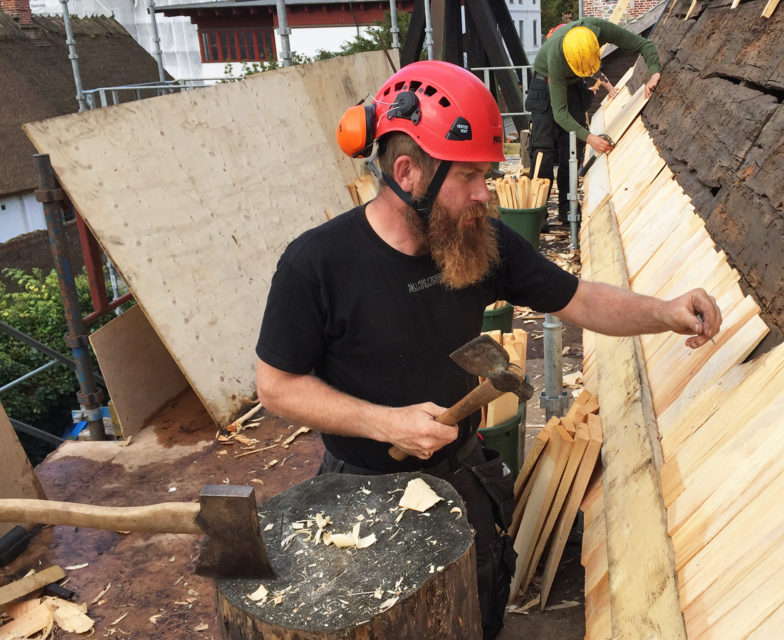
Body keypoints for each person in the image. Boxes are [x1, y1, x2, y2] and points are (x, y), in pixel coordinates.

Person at [255, 60, 719, 639]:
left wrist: (666, 312)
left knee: (472, 618)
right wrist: (383, 423)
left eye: (488, 174)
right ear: (408, 172)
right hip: (358, 492)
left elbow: (578, 298)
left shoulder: (478, 242)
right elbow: (276, 387)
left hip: (461, 480)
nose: (485, 193)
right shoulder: (316, 264)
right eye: (470, 176)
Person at [526, 18, 662, 226]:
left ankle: (568, 210)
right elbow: (560, 113)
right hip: (546, 84)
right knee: (544, 150)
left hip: (574, 84)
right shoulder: (556, 54)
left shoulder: (599, 29)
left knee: (572, 148)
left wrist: (654, 72)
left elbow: (644, 44)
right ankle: (538, 213)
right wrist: (591, 138)